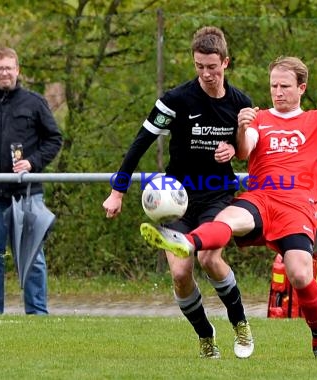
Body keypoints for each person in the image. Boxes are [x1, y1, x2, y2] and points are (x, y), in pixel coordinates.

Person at [141, 32, 317, 360]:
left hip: (296, 207)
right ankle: (188, 243)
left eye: (284, 86)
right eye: (273, 86)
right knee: (228, 218)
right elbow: (244, 150)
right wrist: (241, 128)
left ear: (301, 88)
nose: (278, 92)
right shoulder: (259, 118)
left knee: (299, 274)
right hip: (262, 198)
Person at [102, 26, 254, 359]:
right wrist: (118, 190)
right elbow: (140, 142)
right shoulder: (175, 100)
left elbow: (247, 152)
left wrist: (233, 149)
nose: (206, 74)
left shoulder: (241, 102)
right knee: (181, 272)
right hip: (177, 198)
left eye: (212, 67)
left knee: (209, 257)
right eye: (199, 66)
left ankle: (240, 322)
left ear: (225, 62)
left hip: (217, 193)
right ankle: (205, 334)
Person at [0, 47, 63, 315]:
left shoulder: (35, 103)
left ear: (18, 70)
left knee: (33, 257)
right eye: (0, 68)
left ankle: (37, 313)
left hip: (28, 194)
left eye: (9, 67)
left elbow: (54, 139)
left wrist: (33, 162)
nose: (5, 72)